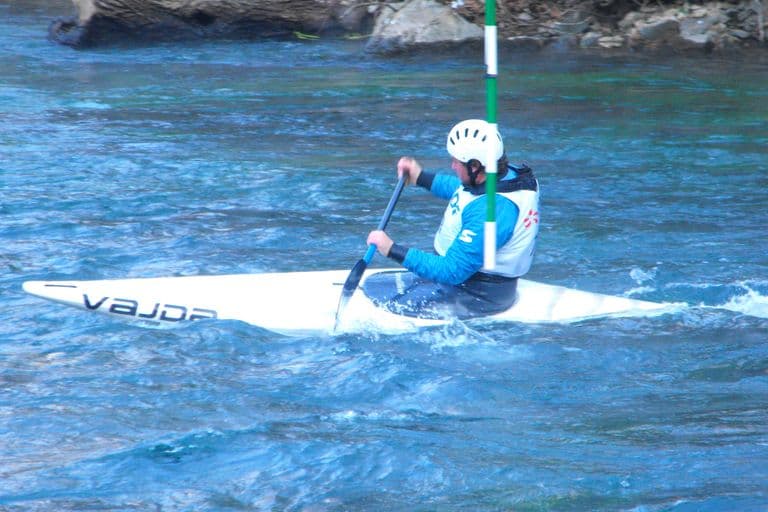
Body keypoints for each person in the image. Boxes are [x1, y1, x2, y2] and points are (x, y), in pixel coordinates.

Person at [364, 119, 540, 319]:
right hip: (462, 281)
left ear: (475, 167)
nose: (452, 165)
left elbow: (451, 270)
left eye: (457, 161)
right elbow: (462, 191)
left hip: (476, 296)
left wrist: (392, 249)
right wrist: (420, 177)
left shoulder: (492, 212)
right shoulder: (501, 177)